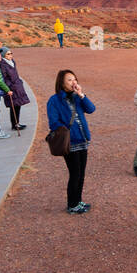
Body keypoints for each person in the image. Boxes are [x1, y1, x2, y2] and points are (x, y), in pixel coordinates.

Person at [46, 69, 96, 214]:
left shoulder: (77, 97)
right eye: (69, 80)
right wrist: (68, 130)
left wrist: (81, 95)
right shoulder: (54, 100)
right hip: (70, 142)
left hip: (83, 139)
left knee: (81, 173)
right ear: (61, 83)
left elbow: (91, 109)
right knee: (75, 173)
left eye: (75, 79)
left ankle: (78, 201)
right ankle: (72, 204)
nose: (73, 82)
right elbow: (53, 122)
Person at [0, 46, 31, 131]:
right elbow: (3, 78)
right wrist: (10, 86)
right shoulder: (2, 65)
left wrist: (19, 82)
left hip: (17, 86)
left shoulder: (12, 62)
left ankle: (17, 123)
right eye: (8, 54)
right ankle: (14, 124)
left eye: (11, 53)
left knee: (18, 105)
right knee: (13, 106)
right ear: (3, 55)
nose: (10, 55)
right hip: (11, 88)